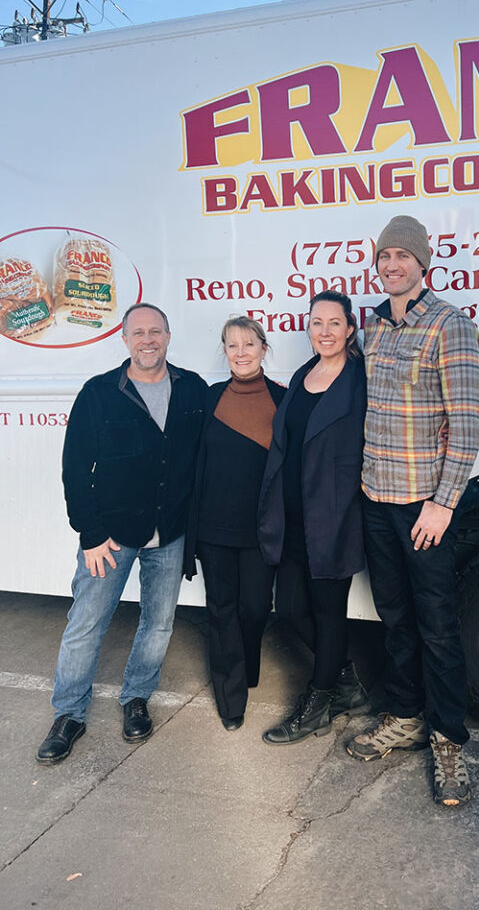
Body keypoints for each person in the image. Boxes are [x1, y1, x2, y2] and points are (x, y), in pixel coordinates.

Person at [345, 215, 479, 808]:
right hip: (375, 497)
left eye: (402, 256)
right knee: (395, 619)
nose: (392, 266)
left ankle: (449, 739)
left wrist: (442, 504)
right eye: (384, 257)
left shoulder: (450, 325)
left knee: (437, 628)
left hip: (422, 508)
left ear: (423, 263)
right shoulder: (373, 327)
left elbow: (468, 424)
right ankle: (404, 718)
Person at [36, 303, 208, 764]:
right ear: (125, 339)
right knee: (86, 624)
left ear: (168, 336)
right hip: (109, 537)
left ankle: (136, 698)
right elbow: (75, 468)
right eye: (138, 333)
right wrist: (89, 533)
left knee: (159, 623)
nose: (147, 340)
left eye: (156, 331)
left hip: (169, 534)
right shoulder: (98, 393)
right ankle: (68, 714)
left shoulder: (191, 388)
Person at [259, 290, 369, 744]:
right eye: (316, 323)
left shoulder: (360, 378)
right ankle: (345, 682)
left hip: (334, 515)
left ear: (349, 330)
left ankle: (320, 701)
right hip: (292, 515)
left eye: (334, 323)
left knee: (328, 613)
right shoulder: (305, 374)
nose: (324, 331)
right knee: (289, 609)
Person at [183, 316, 285, 730]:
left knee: (256, 608)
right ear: (224, 351)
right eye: (232, 345)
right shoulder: (209, 399)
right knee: (222, 609)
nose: (240, 353)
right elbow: (192, 465)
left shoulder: (283, 398)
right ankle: (231, 698)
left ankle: (247, 666)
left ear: (263, 348)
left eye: (248, 344)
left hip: (261, 529)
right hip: (213, 528)